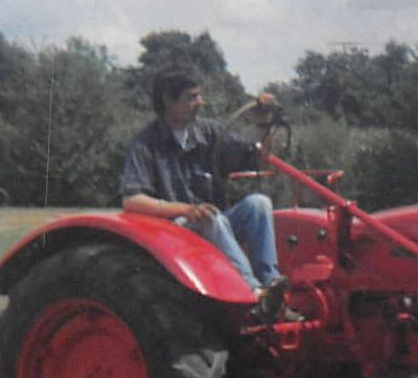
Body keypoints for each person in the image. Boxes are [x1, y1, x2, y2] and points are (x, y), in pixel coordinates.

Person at [120, 70, 291, 321]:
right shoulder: (145, 144)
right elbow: (132, 200)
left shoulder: (208, 133)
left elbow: (260, 157)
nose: (200, 103)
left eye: (199, 96)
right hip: (174, 233)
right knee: (212, 217)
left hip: (212, 222)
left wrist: (264, 119)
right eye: (192, 97)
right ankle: (253, 292)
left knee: (258, 204)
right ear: (168, 100)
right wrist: (186, 210)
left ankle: (272, 285)